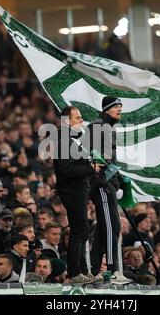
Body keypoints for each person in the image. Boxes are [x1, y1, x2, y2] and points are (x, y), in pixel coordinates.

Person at [53, 106, 100, 284]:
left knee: (82, 230)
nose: (82, 120)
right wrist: (91, 168)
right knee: (79, 231)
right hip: (72, 190)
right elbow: (68, 169)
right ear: (67, 121)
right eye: (78, 117)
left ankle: (82, 270)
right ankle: (74, 273)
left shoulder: (73, 140)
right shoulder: (64, 141)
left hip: (79, 189)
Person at [87, 96, 129, 282]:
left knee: (103, 229)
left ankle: (94, 269)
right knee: (113, 226)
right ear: (106, 109)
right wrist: (106, 183)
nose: (119, 109)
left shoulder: (106, 127)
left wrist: (117, 182)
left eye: (120, 106)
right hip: (102, 185)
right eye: (116, 106)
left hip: (106, 183)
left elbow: (109, 159)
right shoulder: (98, 126)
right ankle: (114, 271)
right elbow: (93, 158)